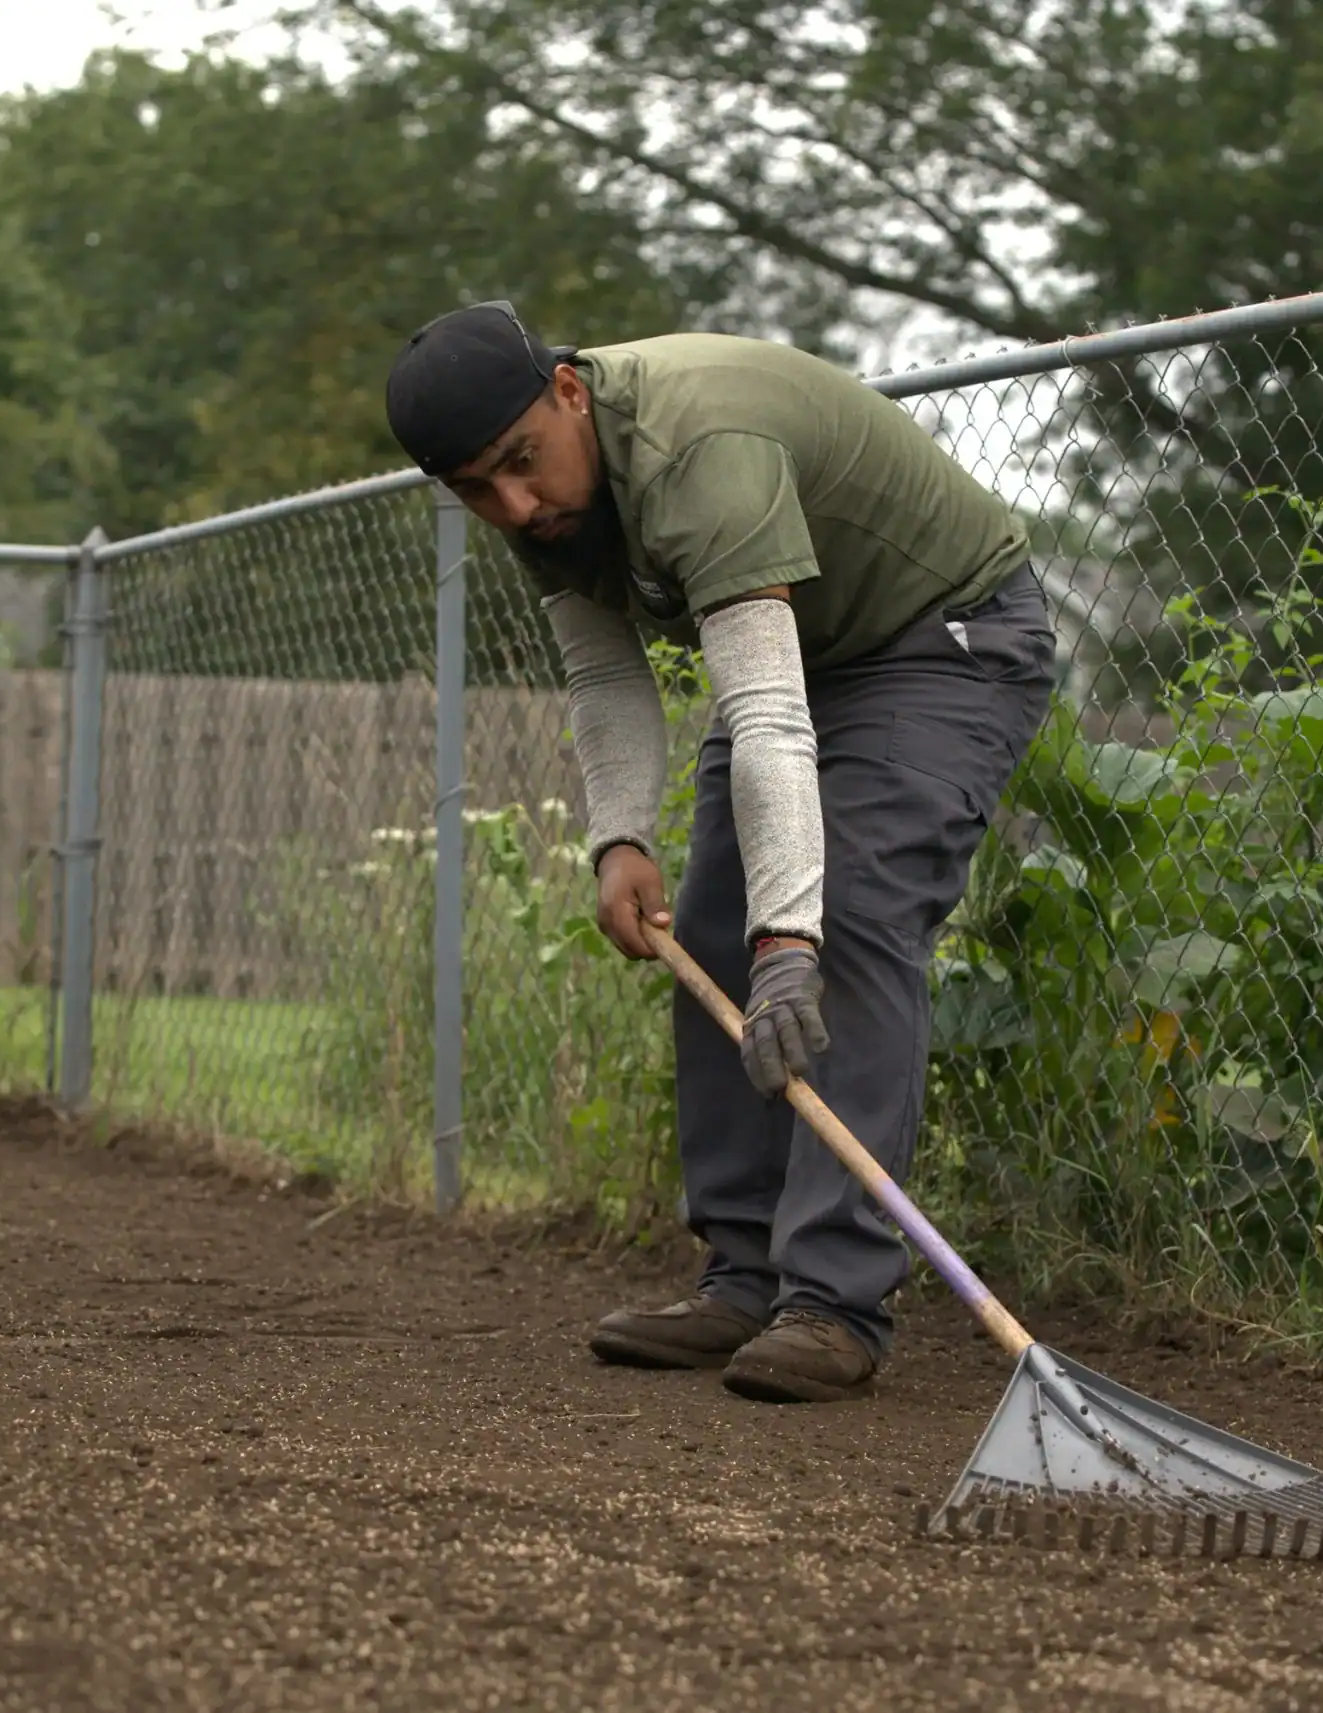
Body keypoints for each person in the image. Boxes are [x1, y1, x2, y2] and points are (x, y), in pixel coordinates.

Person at [383, 302, 1054, 1404]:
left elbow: (769, 716)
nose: (514, 506)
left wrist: (789, 935)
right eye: (475, 490)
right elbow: (604, 673)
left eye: (520, 464)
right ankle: (745, 1278)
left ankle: (833, 1301)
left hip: (942, 639)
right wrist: (619, 838)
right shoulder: (534, 496)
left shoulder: (698, 449)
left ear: (568, 392)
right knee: (705, 929)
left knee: (849, 922)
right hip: (807, 653)